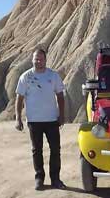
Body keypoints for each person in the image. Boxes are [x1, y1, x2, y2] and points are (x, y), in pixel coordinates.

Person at [15, 48, 66, 190]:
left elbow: (60, 96)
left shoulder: (53, 76)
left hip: (51, 120)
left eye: (41, 59)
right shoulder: (25, 76)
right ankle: (39, 179)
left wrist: (61, 115)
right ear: (32, 60)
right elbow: (19, 98)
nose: (38, 61)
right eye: (36, 59)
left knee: (55, 150)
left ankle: (55, 179)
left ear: (45, 60)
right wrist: (18, 118)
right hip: (34, 121)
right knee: (36, 150)